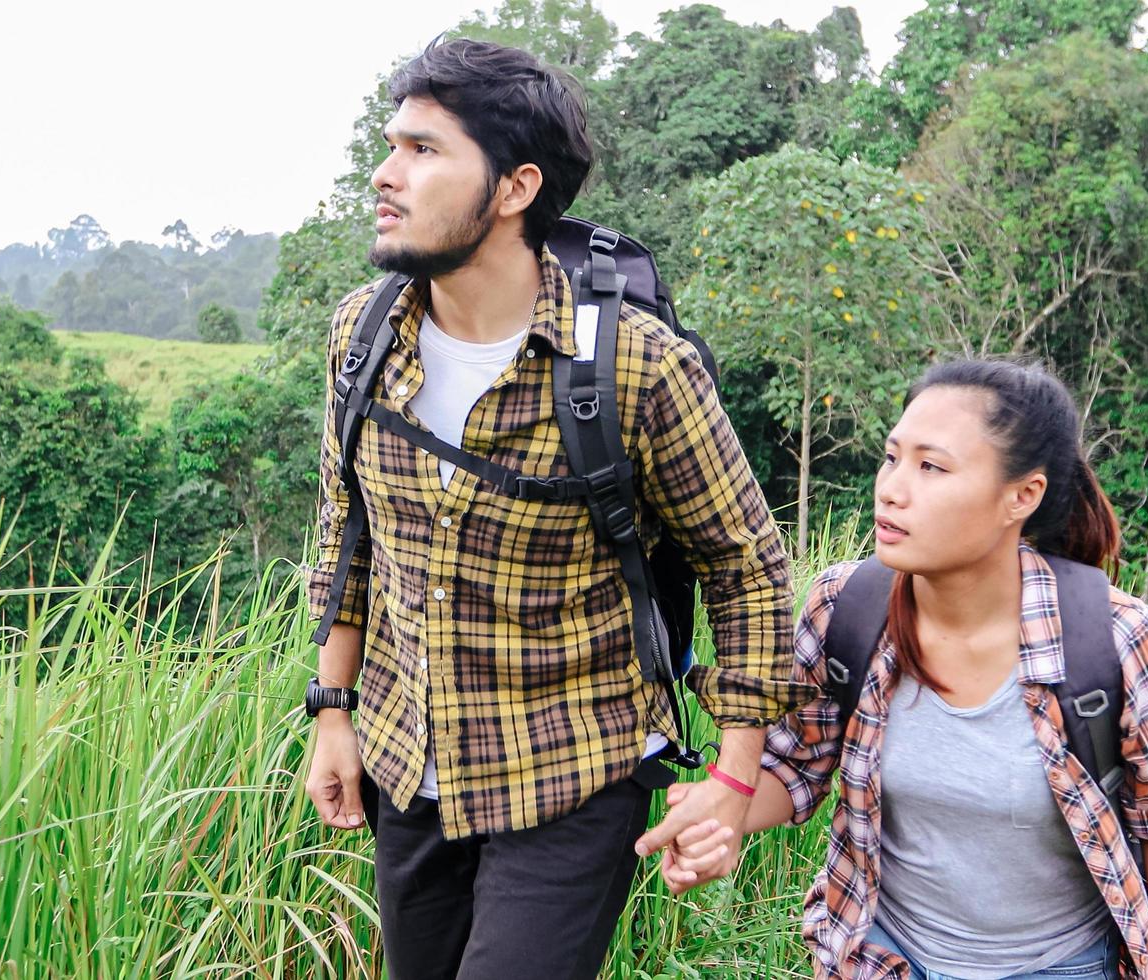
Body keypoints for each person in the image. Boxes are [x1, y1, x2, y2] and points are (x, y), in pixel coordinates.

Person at [298, 38, 807, 980]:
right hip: (408, 758)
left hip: (570, 770)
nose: (385, 173)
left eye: (422, 150)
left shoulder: (634, 365)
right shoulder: (362, 334)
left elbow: (745, 569)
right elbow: (345, 530)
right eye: (390, 145)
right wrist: (334, 710)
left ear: (514, 187)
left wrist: (735, 779)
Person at [652, 360, 1148, 979]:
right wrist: (720, 813)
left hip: (1061, 965)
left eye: (932, 466)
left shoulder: (1113, 638)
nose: (892, 488)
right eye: (892, 457)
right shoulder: (847, 608)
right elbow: (795, 768)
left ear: (1022, 496)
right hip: (885, 957)